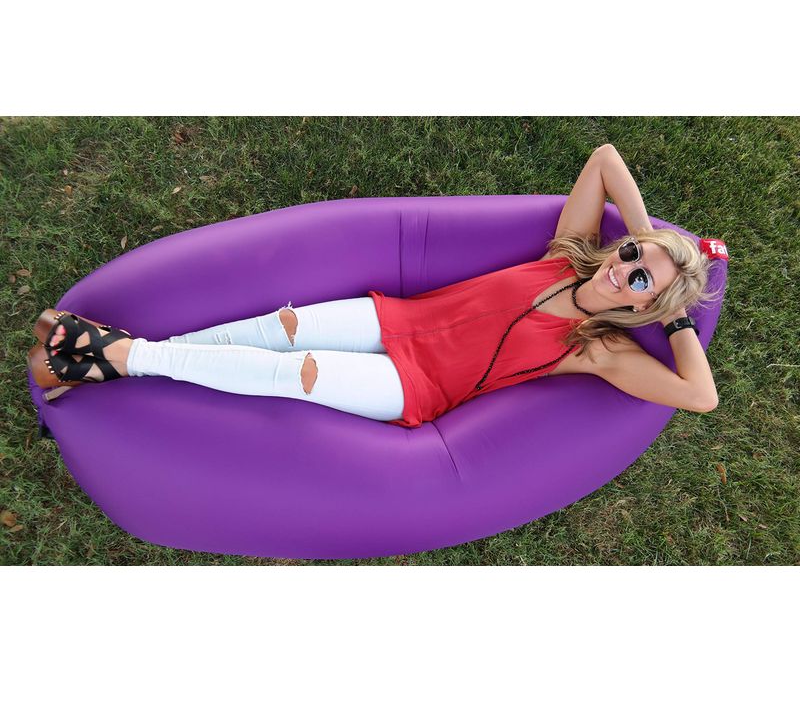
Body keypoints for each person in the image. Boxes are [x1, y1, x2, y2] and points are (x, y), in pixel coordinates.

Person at [28, 144, 721, 426]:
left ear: (644, 303)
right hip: (398, 319)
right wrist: (659, 242)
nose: (622, 265)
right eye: (630, 252)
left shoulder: (598, 348)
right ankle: (103, 361)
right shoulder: (568, 257)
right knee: (281, 326)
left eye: (638, 278)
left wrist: (675, 316)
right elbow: (605, 160)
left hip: (414, 386)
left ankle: (120, 354)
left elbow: (700, 396)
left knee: (296, 371)